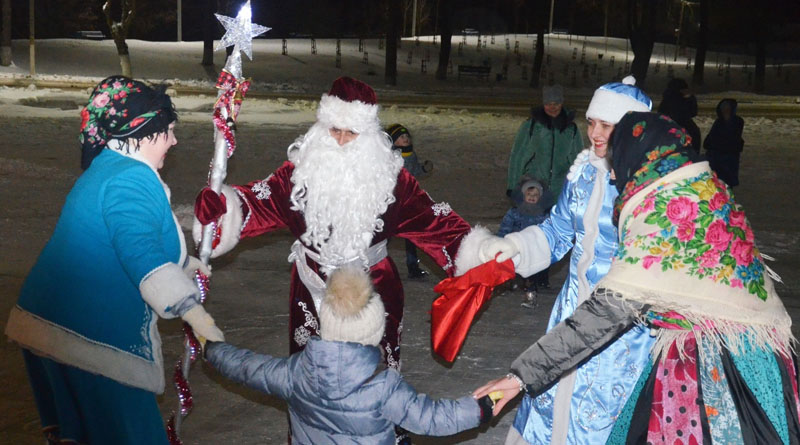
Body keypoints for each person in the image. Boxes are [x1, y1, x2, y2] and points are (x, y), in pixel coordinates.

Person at [475, 111, 800, 444]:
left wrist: (520, 377)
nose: (615, 173)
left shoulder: (666, 212)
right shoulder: (700, 188)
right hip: (760, 361)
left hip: (715, 373)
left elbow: (604, 314)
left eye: (619, 161)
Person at [193, 76, 489, 372]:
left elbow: (435, 222)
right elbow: (258, 203)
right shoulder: (298, 175)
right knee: (311, 378)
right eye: (335, 129)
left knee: (373, 378)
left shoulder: (391, 180)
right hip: (311, 290)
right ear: (322, 127)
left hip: (374, 289)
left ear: (369, 134)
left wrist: (482, 250)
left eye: (352, 132)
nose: (342, 140)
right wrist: (224, 209)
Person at [4, 76, 224, 444]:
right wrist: (190, 308)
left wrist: (184, 268)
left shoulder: (108, 169)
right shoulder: (130, 180)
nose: (174, 140)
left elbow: (118, 242)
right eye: (167, 131)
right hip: (92, 341)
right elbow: (139, 251)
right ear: (140, 132)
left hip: (51, 325)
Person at [478, 76, 655, 445]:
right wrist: (517, 246)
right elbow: (559, 230)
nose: (594, 133)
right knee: (552, 402)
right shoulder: (585, 170)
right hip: (572, 308)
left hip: (622, 322)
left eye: (606, 125)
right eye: (592, 122)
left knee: (602, 412)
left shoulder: (646, 184)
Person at [205, 266, 495, 444]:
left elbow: (248, 368)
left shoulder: (296, 372)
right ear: (372, 331)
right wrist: (482, 407)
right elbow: (431, 419)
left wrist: (212, 348)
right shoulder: (383, 387)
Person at [506, 84, 584, 200]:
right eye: (548, 104)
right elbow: (518, 156)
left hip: (561, 189)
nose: (552, 107)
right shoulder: (531, 126)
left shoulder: (571, 129)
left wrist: (580, 186)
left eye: (556, 104)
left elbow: (579, 160)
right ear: (543, 104)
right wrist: (512, 186)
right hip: (534, 189)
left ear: (561, 104)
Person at [497, 178, 553, 307]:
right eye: (529, 195)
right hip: (515, 245)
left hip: (532, 247)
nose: (532, 198)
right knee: (509, 266)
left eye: (535, 195)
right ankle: (507, 284)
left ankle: (530, 293)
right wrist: (501, 240)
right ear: (523, 195)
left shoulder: (542, 215)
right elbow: (506, 226)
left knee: (530, 270)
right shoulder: (514, 213)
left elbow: (548, 230)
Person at [387, 123, 429, 280]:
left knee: (411, 236)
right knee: (386, 235)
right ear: (394, 141)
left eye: (407, 137)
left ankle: (413, 267)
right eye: (401, 137)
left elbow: (415, 170)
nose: (406, 139)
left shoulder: (411, 154)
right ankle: (375, 264)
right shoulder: (391, 156)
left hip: (409, 201)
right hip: (394, 202)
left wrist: (423, 169)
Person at [704, 98, 745, 187]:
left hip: (728, 156)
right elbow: (711, 137)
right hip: (716, 155)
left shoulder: (737, 121)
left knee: (727, 180)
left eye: (727, 108)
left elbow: (733, 137)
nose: (725, 110)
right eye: (723, 108)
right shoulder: (719, 121)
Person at [658, 77, 701, 152]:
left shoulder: (667, 98)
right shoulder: (682, 99)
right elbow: (693, 112)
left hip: (669, 129)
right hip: (683, 129)